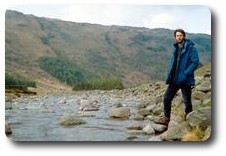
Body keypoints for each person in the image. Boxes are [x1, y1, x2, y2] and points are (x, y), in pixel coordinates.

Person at [154, 29, 199, 126]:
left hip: (185, 79)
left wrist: (186, 73)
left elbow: (195, 62)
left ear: (184, 36)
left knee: (187, 101)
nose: (179, 37)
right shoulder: (176, 48)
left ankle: (190, 120)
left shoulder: (191, 48)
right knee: (167, 98)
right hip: (174, 78)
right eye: (177, 35)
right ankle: (166, 118)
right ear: (175, 37)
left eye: (180, 35)